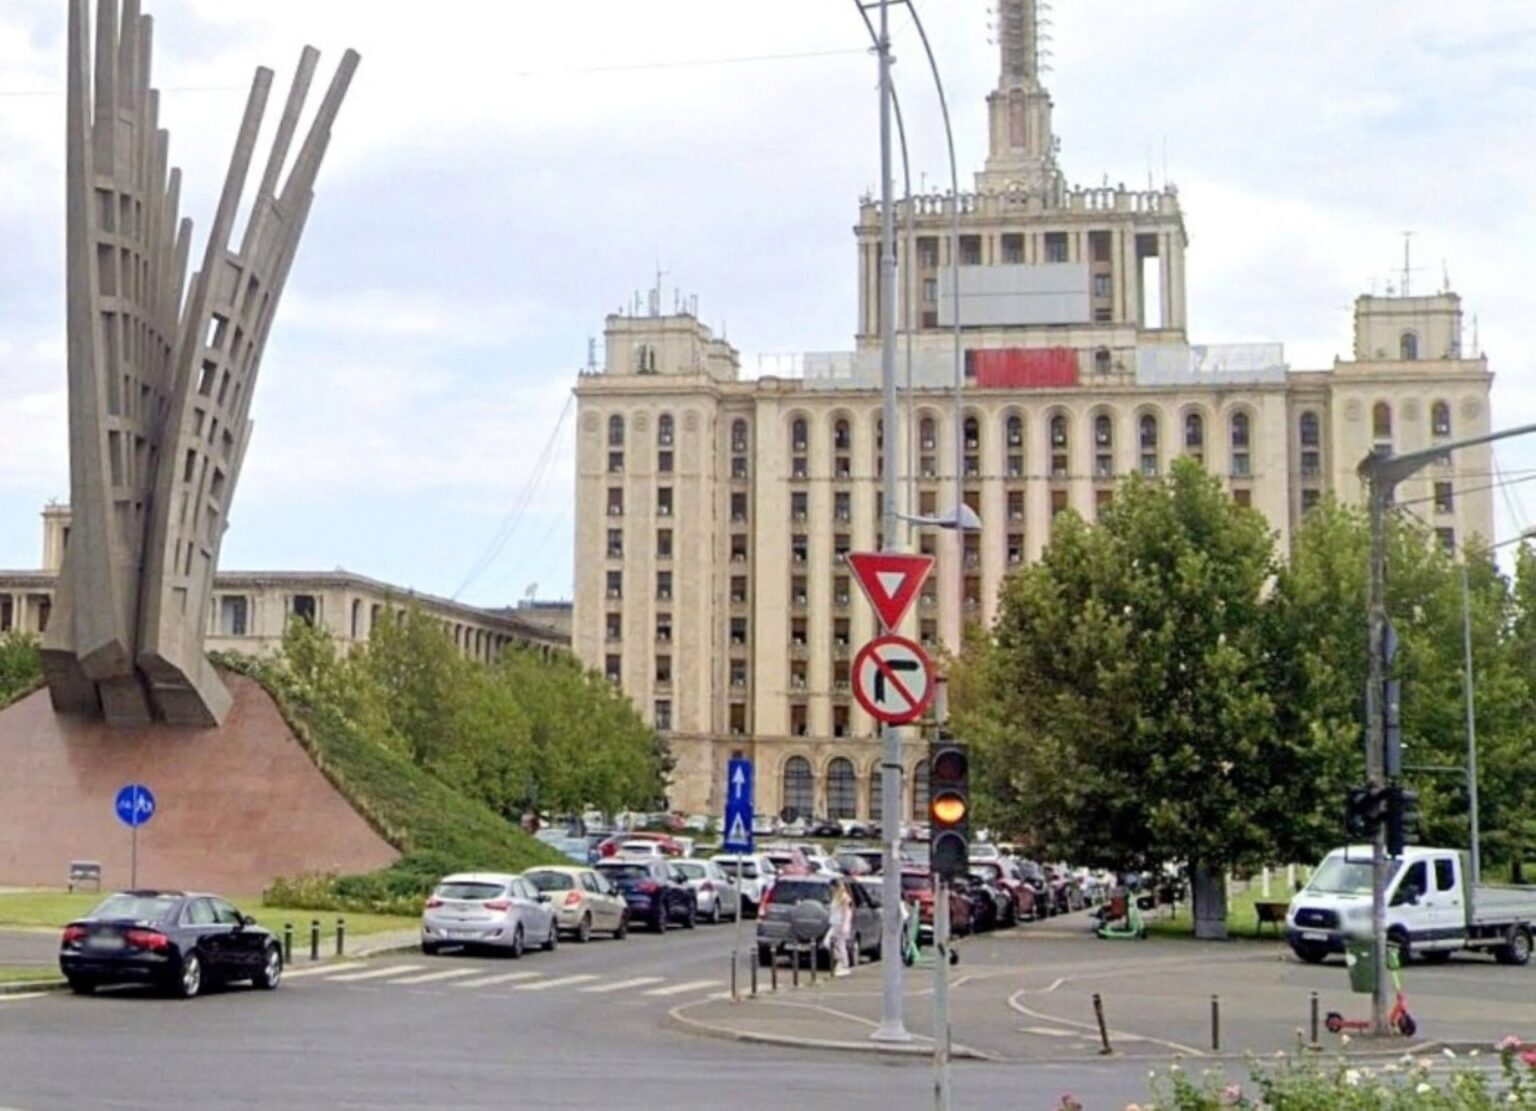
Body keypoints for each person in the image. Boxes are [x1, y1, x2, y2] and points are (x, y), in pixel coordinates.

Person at [827, 881, 855, 977]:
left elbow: (847, 912)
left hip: (840, 924)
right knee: (828, 943)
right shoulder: (836, 897)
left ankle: (844, 964)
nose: (831, 889)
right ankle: (841, 961)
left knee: (840, 944)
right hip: (834, 923)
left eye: (832, 887)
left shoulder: (844, 897)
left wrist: (845, 925)